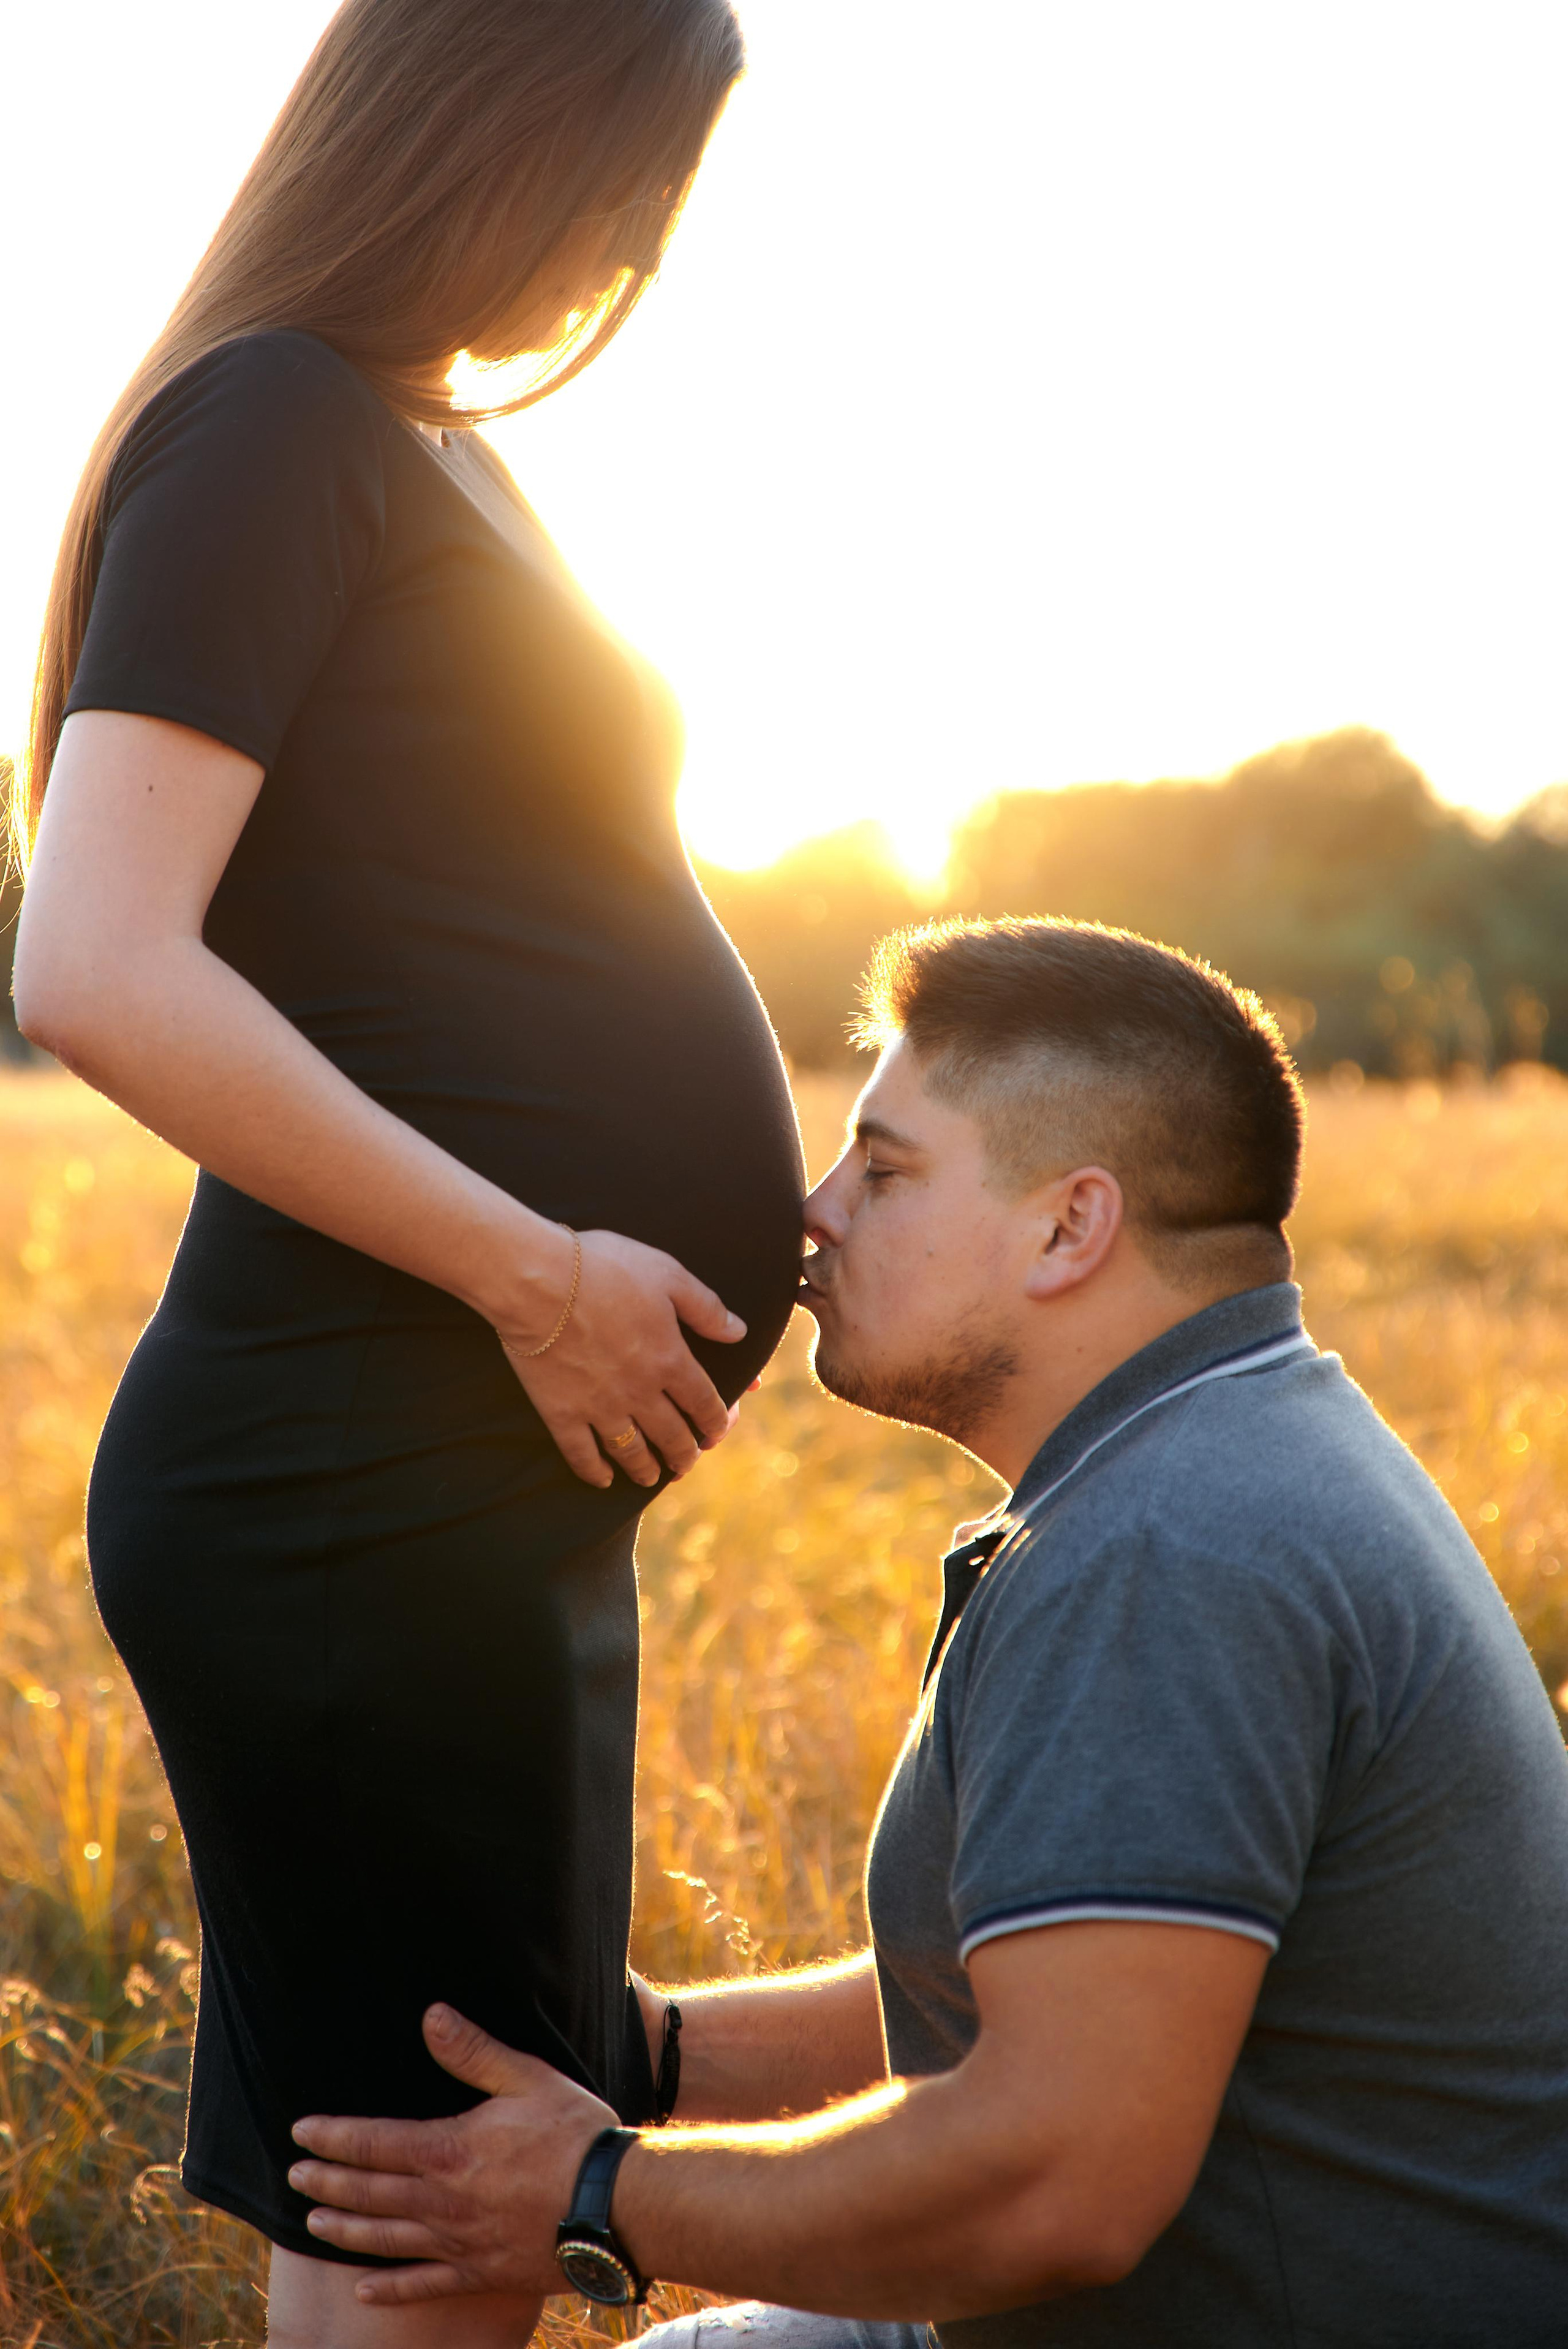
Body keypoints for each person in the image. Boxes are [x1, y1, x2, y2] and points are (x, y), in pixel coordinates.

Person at [10, 4, 805, 2344]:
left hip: (450, 1494)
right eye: (621, 176)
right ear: (483, 121)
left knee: (433, 2202)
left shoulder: (407, 438)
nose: (633, 248)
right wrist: (540, 1272)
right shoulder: (274, 422)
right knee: (439, 2216)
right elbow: (98, 961)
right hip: (352, 1482)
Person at [290, 918, 1568, 2348]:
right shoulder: (1228, 1442)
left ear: (1067, 1226)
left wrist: (594, 2192)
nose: (812, 1211)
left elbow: (1056, 2184)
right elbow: (1049, 1977)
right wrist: (650, 2056)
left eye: (881, 1169)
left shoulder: (1166, 1550)